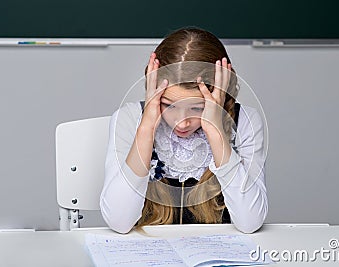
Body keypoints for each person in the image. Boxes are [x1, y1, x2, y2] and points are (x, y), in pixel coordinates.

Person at [100, 27, 268, 234]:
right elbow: (119, 222)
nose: (181, 123)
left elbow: (250, 222)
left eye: (197, 108)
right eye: (168, 105)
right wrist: (146, 129)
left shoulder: (245, 122)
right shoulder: (129, 119)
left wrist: (216, 132)